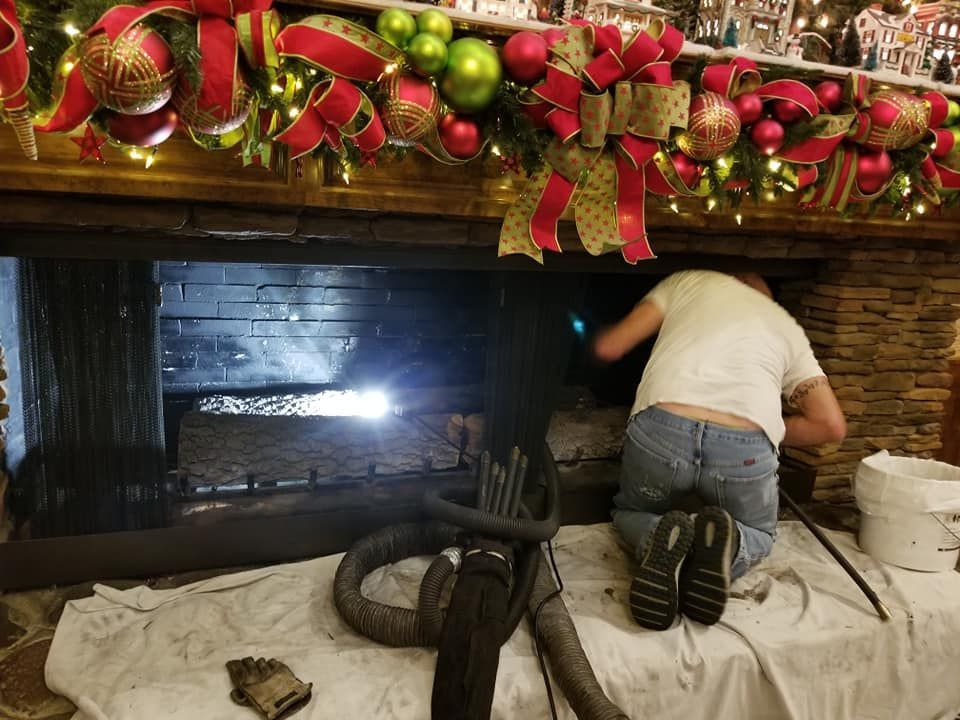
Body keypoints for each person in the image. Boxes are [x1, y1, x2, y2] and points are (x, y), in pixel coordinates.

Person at [592, 269, 845, 631]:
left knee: (632, 510)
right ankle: (731, 546)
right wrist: (767, 425)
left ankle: (657, 540)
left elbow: (610, 346)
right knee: (759, 531)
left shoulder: (687, 282)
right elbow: (830, 425)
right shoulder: (785, 328)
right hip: (743, 447)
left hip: (664, 430)